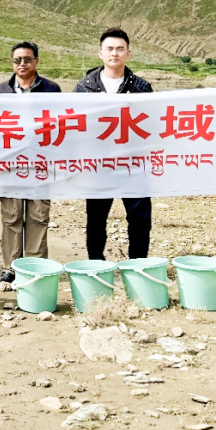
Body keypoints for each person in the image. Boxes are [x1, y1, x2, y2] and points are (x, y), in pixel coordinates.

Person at [74, 28, 153, 261]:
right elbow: (72, 123)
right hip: (98, 165)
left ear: (128, 53)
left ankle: (137, 266)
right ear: (100, 53)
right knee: (96, 220)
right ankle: (96, 265)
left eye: (120, 49)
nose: (114, 53)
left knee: (140, 219)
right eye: (109, 49)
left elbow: (153, 124)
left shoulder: (142, 87)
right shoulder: (84, 87)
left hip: (134, 164)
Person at [0, 41, 61, 284]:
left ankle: (34, 266)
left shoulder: (52, 90)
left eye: (27, 59)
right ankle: (11, 267)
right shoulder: (0, 91)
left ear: (36, 61)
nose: (22, 64)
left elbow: (60, 125)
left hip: (41, 164)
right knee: (11, 216)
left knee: (38, 216)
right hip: (10, 165)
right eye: (17, 60)